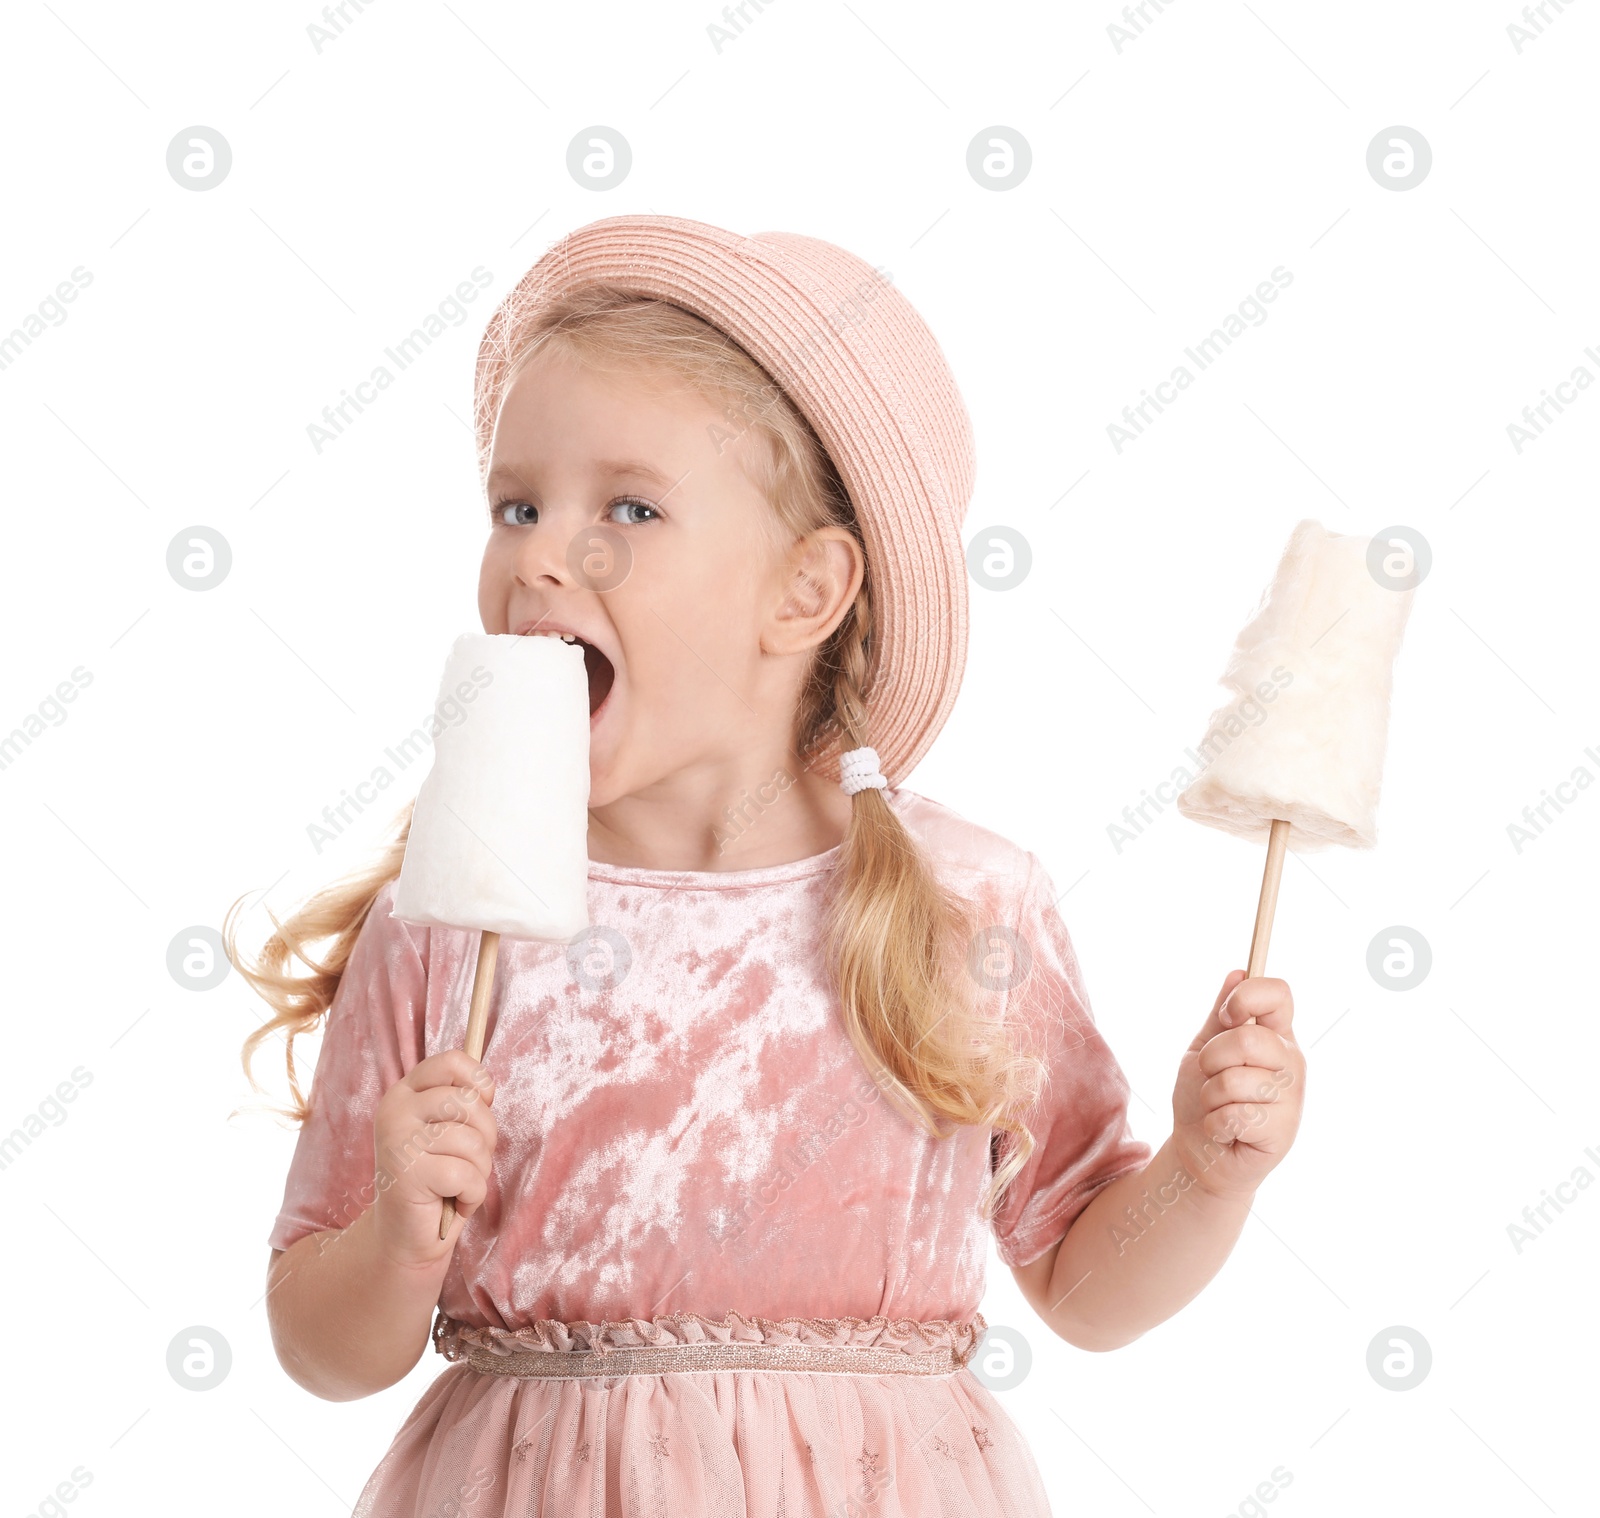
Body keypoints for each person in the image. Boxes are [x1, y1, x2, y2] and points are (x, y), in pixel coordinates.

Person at [229, 213, 1306, 1517]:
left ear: (805, 592)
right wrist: (397, 1236)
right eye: (518, 504)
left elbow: (1085, 1281)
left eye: (628, 506)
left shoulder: (966, 909)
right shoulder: (446, 931)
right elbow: (318, 1339)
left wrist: (1201, 1168)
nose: (540, 555)